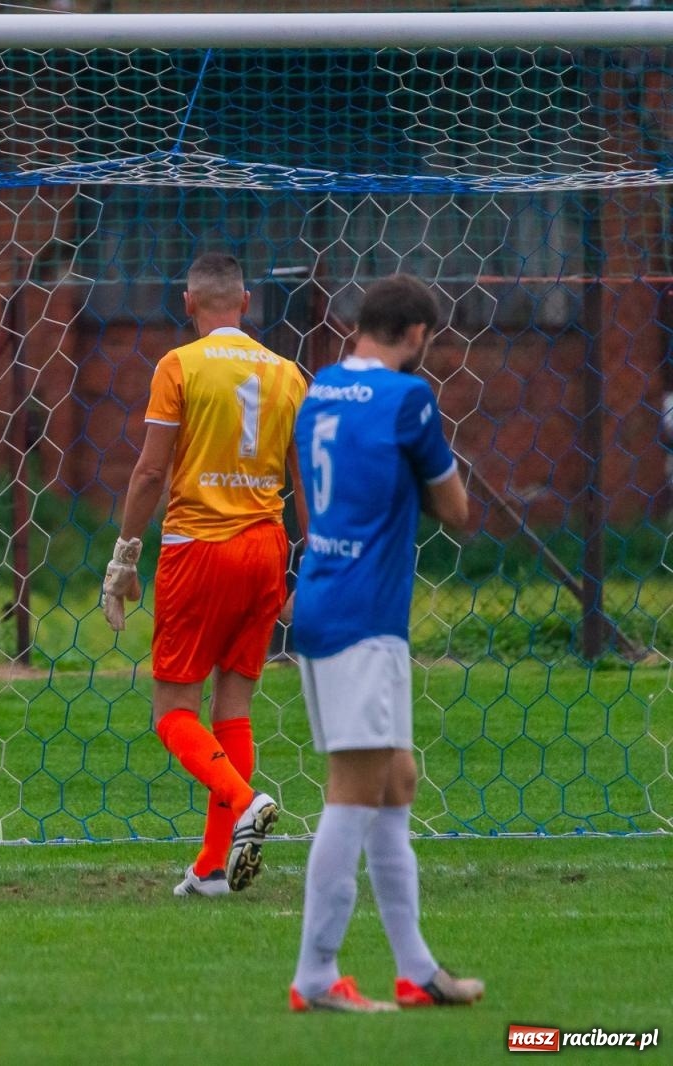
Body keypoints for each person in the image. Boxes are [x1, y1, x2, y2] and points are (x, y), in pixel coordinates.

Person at [287, 274, 484, 1012]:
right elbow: (457, 507)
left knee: (396, 780)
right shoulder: (410, 400)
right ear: (417, 336)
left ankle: (418, 972)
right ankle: (315, 976)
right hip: (365, 617)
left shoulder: (321, 390)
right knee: (354, 792)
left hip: (323, 598)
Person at [102, 252, 307, 897]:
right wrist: (309, 571)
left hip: (200, 549)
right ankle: (213, 869)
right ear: (247, 304)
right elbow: (306, 484)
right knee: (235, 707)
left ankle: (244, 801)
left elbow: (149, 473)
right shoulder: (287, 373)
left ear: (187, 303)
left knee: (171, 713)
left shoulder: (179, 366)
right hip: (267, 549)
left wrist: (124, 562)